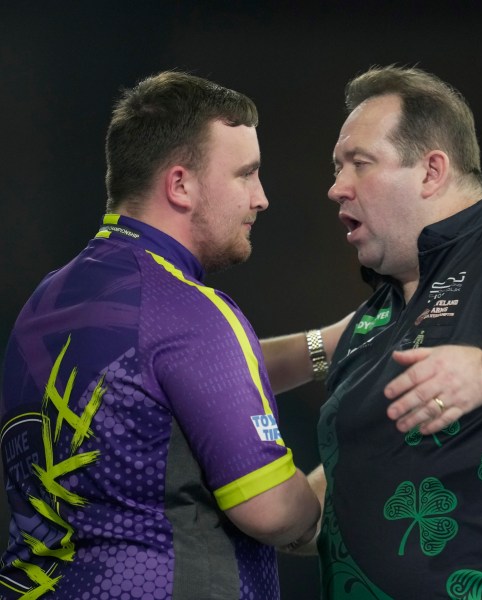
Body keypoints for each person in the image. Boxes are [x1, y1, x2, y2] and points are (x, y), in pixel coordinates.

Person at [269, 66, 482, 598]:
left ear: (431, 172)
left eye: (359, 164)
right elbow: (328, 507)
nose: (335, 188)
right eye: (336, 168)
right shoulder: (378, 318)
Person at [0, 71, 322, 600]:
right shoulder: (189, 309)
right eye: (246, 174)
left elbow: (175, 384)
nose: (261, 198)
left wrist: (328, 345)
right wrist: (350, 459)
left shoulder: (43, 303)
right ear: (179, 185)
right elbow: (272, 513)